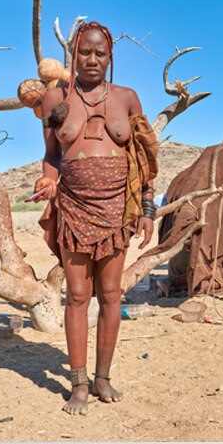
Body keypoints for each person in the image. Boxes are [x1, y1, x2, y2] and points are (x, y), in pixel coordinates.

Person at [33, 21, 158, 416]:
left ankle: (104, 377)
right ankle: (79, 383)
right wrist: (48, 181)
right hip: (73, 208)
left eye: (99, 53)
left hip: (118, 210)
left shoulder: (127, 98)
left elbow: (145, 158)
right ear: (73, 54)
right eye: (84, 52)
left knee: (110, 296)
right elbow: (53, 155)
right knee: (78, 297)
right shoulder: (57, 97)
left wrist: (148, 208)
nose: (91, 59)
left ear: (110, 57)